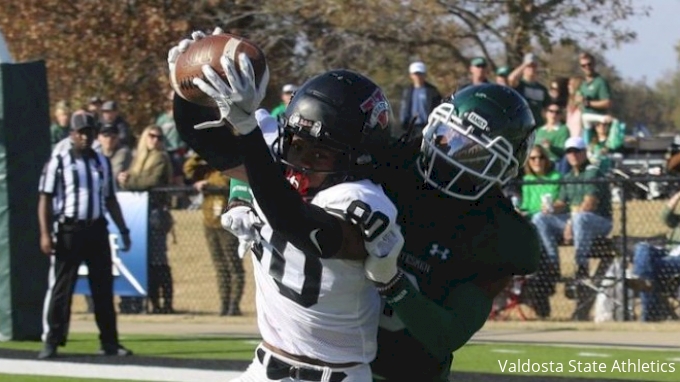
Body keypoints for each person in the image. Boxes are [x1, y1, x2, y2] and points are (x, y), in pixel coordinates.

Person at [168, 29, 404, 381]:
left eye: (320, 152)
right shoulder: (276, 161)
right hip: (264, 368)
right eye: (296, 143)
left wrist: (248, 131)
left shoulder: (363, 200)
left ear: (358, 158)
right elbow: (203, 139)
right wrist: (186, 86)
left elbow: (297, 224)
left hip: (334, 375)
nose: (301, 160)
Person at [367, 83, 541, 381]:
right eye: (451, 137)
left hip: (411, 372)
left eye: (476, 153)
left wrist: (392, 283)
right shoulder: (389, 165)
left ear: (505, 168)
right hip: (335, 359)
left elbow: (447, 335)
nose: (453, 153)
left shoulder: (499, 234)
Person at [37, 111, 132, 359]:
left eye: (89, 132)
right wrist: (46, 234)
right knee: (62, 289)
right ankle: (52, 341)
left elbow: (110, 199)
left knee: (102, 289)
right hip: (69, 229)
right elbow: (45, 199)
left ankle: (109, 342)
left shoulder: (101, 161)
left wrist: (123, 229)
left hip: (97, 229)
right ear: (71, 134)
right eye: (80, 132)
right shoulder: (59, 161)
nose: (85, 137)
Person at [531, 136, 612, 320]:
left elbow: (590, 203)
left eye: (576, 151)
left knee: (581, 218)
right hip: (575, 220)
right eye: (569, 151)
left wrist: (570, 222)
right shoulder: (568, 176)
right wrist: (551, 209)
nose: (573, 155)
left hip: (599, 221)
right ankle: (553, 265)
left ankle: (580, 268)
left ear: (584, 152)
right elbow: (562, 202)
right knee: (540, 218)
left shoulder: (593, 172)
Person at [118, 125, 175, 314]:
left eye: (159, 137)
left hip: (156, 214)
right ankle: (153, 303)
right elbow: (137, 179)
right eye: (151, 136)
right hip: (141, 213)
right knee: (148, 261)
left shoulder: (160, 158)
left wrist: (129, 181)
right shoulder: (139, 159)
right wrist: (125, 178)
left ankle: (165, 303)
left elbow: (152, 182)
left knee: (159, 261)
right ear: (145, 137)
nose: (156, 140)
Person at [183, 153, 244, 316]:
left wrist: (207, 183)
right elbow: (188, 169)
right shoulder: (207, 168)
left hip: (227, 222)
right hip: (209, 220)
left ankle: (234, 304)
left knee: (233, 265)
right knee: (220, 266)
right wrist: (199, 153)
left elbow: (224, 182)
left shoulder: (230, 166)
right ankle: (224, 302)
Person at [630, 189, 680, 322]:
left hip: (677, 260)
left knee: (647, 269)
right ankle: (640, 278)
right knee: (642, 247)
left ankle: (649, 313)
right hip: (669, 252)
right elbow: (665, 216)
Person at [399, 61, 442, 133]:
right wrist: (404, 122)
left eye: (420, 74)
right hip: (412, 127)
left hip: (428, 126)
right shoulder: (407, 91)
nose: (418, 77)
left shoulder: (432, 91)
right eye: (416, 74)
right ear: (411, 75)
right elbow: (404, 108)